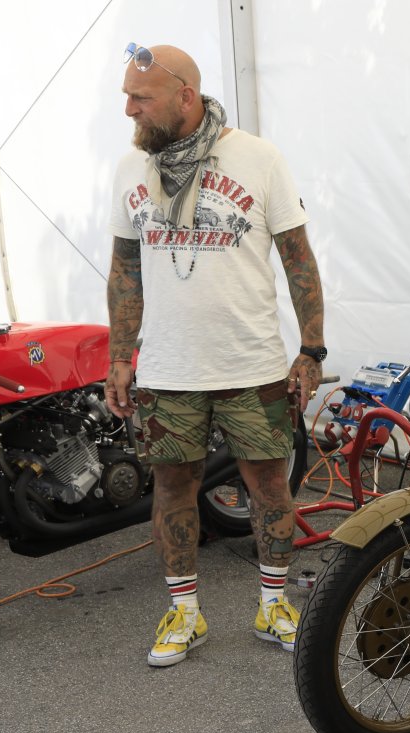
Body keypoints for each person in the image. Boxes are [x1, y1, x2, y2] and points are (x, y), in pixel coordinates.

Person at [104, 43, 326, 668]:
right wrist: (120, 355)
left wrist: (311, 350)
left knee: (269, 484)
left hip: (250, 362)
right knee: (174, 487)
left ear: (184, 96)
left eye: (140, 98)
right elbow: (125, 269)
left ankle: (273, 603)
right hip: (168, 367)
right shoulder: (130, 169)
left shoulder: (258, 158)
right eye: (126, 97)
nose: (129, 110)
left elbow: (299, 260)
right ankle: (185, 612)